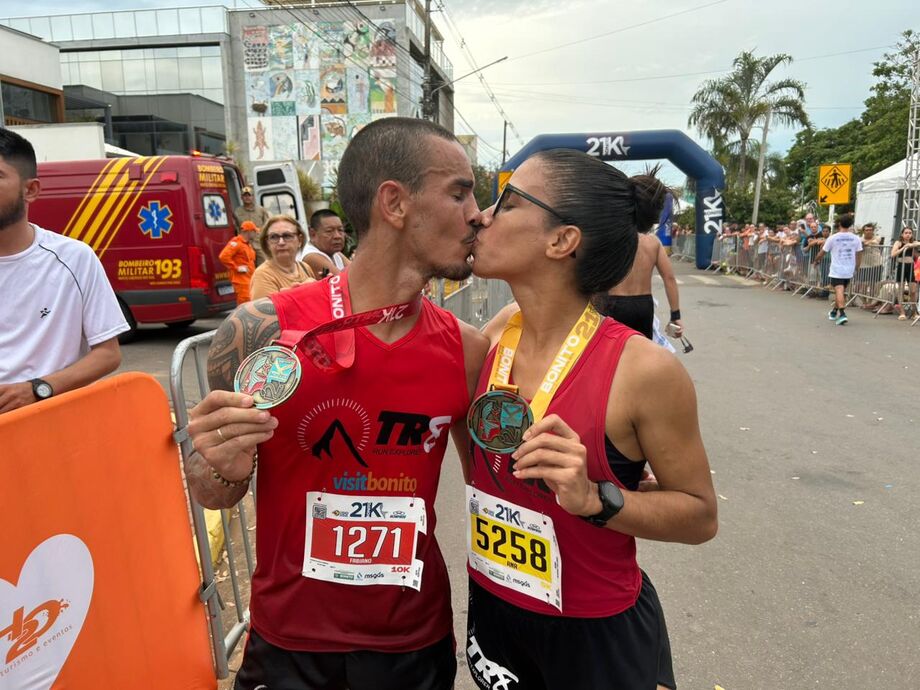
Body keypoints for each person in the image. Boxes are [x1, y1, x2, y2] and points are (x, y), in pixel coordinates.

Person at [185, 117, 489, 690]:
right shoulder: (259, 328)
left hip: (410, 644)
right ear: (394, 203)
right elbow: (211, 488)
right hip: (290, 641)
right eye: (459, 192)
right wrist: (218, 469)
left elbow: (492, 491)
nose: (477, 213)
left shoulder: (467, 350)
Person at [466, 149, 717, 690]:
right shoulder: (493, 335)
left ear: (562, 240)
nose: (481, 216)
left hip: (593, 631)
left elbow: (700, 516)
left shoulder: (643, 370)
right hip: (493, 610)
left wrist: (597, 498)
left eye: (507, 204)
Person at [0, 127, 128, 414]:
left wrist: (37, 389)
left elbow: (108, 354)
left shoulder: (74, 259)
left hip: (54, 424)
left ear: (30, 190)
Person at [592, 229, 684, 340]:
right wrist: (675, 315)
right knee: (642, 350)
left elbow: (594, 276)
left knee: (613, 351)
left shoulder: (609, 238)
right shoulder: (653, 241)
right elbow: (669, 278)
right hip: (643, 306)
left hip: (613, 304)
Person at [249, 215, 315, 300]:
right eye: (274, 237)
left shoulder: (305, 267)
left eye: (287, 236)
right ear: (267, 243)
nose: (281, 242)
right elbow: (268, 312)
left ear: (300, 240)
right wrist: (305, 291)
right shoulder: (263, 275)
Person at [813, 213, 862, 325]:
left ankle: (842, 313)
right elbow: (859, 254)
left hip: (837, 269)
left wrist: (816, 260)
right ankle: (834, 311)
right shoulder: (856, 238)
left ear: (839, 224)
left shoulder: (833, 238)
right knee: (840, 291)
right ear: (850, 225)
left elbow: (822, 252)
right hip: (849, 269)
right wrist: (857, 266)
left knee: (839, 290)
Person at [298, 209, 351, 276]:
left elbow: (359, 273)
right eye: (329, 231)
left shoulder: (335, 252)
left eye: (340, 230)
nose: (337, 236)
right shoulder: (312, 257)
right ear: (313, 234)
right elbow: (344, 283)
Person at [219, 220, 259, 305]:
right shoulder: (236, 243)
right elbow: (223, 257)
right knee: (245, 305)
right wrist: (236, 267)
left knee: (251, 303)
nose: (256, 233)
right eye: (254, 231)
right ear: (248, 232)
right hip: (241, 281)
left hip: (249, 279)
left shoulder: (247, 244)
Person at [234, 186, 270, 266]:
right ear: (241, 197)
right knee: (248, 269)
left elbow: (267, 226)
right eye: (244, 196)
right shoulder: (237, 212)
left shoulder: (261, 210)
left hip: (259, 244)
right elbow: (236, 229)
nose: (247, 198)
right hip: (245, 246)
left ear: (253, 197)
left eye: (249, 195)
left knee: (264, 267)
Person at [890, 225, 919, 320]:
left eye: (910, 233)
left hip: (910, 267)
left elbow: (918, 244)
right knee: (901, 290)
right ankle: (902, 312)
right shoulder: (898, 242)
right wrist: (904, 247)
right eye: (906, 233)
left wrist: (911, 245)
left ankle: (914, 312)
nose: (908, 235)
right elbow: (893, 254)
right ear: (902, 234)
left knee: (913, 291)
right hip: (901, 266)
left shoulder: (913, 242)